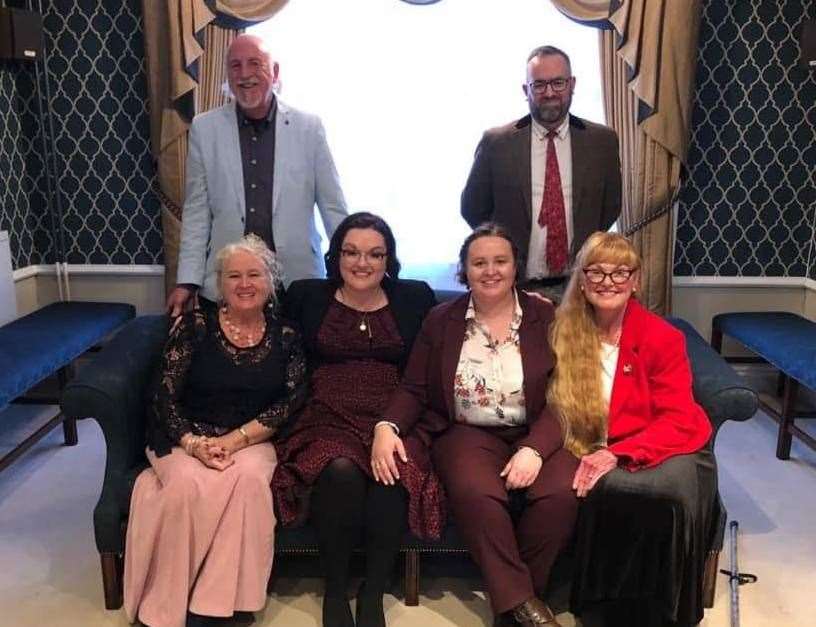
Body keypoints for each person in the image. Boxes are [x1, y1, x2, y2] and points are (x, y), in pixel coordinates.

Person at [374, 223, 578, 627]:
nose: (490, 271)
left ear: (515, 266)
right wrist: (387, 425)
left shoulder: (547, 315)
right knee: (476, 492)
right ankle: (528, 609)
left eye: (500, 261)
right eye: (478, 262)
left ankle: (514, 610)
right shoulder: (441, 320)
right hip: (467, 432)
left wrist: (535, 449)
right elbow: (414, 386)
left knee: (559, 496)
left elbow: (565, 393)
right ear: (464, 270)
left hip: (537, 427)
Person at [272, 212, 445, 627]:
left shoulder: (414, 297)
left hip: (395, 412)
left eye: (374, 254)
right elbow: (277, 345)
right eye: (351, 252)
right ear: (336, 256)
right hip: (325, 413)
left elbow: (437, 351)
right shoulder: (306, 296)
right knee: (342, 470)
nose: (361, 263)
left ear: (389, 259)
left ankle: (372, 593)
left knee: (392, 475)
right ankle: (335, 592)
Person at [124, 234, 306, 627]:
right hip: (181, 434)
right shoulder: (194, 327)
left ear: (270, 281)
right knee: (187, 485)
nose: (245, 284)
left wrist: (233, 440)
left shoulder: (286, 336)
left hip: (250, 437)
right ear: (219, 284)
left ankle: (222, 604)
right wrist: (194, 443)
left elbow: (290, 401)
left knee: (249, 483)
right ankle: (166, 605)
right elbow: (163, 396)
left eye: (254, 274)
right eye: (233, 275)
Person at [547, 232, 714, 627]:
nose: (609, 281)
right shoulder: (561, 332)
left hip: (653, 444)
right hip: (585, 441)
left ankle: (652, 613)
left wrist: (617, 454)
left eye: (621, 272)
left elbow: (677, 417)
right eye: (597, 272)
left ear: (636, 281)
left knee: (648, 494)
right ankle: (601, 607)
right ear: (583, 280)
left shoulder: (662, 337)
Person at [168, 34, 348, 315]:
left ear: (274, 72)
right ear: (227, 73)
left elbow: (333, 207)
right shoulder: (205, 129)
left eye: (255, 63)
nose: (245, 74)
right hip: (228, 285)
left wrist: (348, 270)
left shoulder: (309, 129)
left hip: (297, 282)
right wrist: (187, 281)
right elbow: (196, 213)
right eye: (236, 66)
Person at [461, 45, 621, 301]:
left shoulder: (602, 141)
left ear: (572, 84)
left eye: (558, 83)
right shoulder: (497, 143)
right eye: (539, 85)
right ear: (526, 90)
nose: (549, 93)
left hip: (579, 287)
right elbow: (473, 208)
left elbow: (610, 208)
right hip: (515, 287)